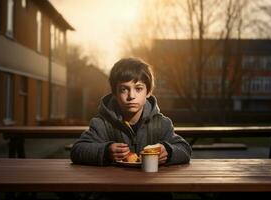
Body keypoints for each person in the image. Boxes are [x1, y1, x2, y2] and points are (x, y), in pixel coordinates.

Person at [70, 57, 192, 199]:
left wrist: (168, 152)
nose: (131, 96)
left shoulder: (162, 123)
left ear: (148, 92)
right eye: (124, 89)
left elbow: (185, 149)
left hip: (154, 194)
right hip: (111, 194)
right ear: (114, 93)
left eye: (138, 88)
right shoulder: (101, 123)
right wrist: (105, 151)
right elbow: (77, 150)